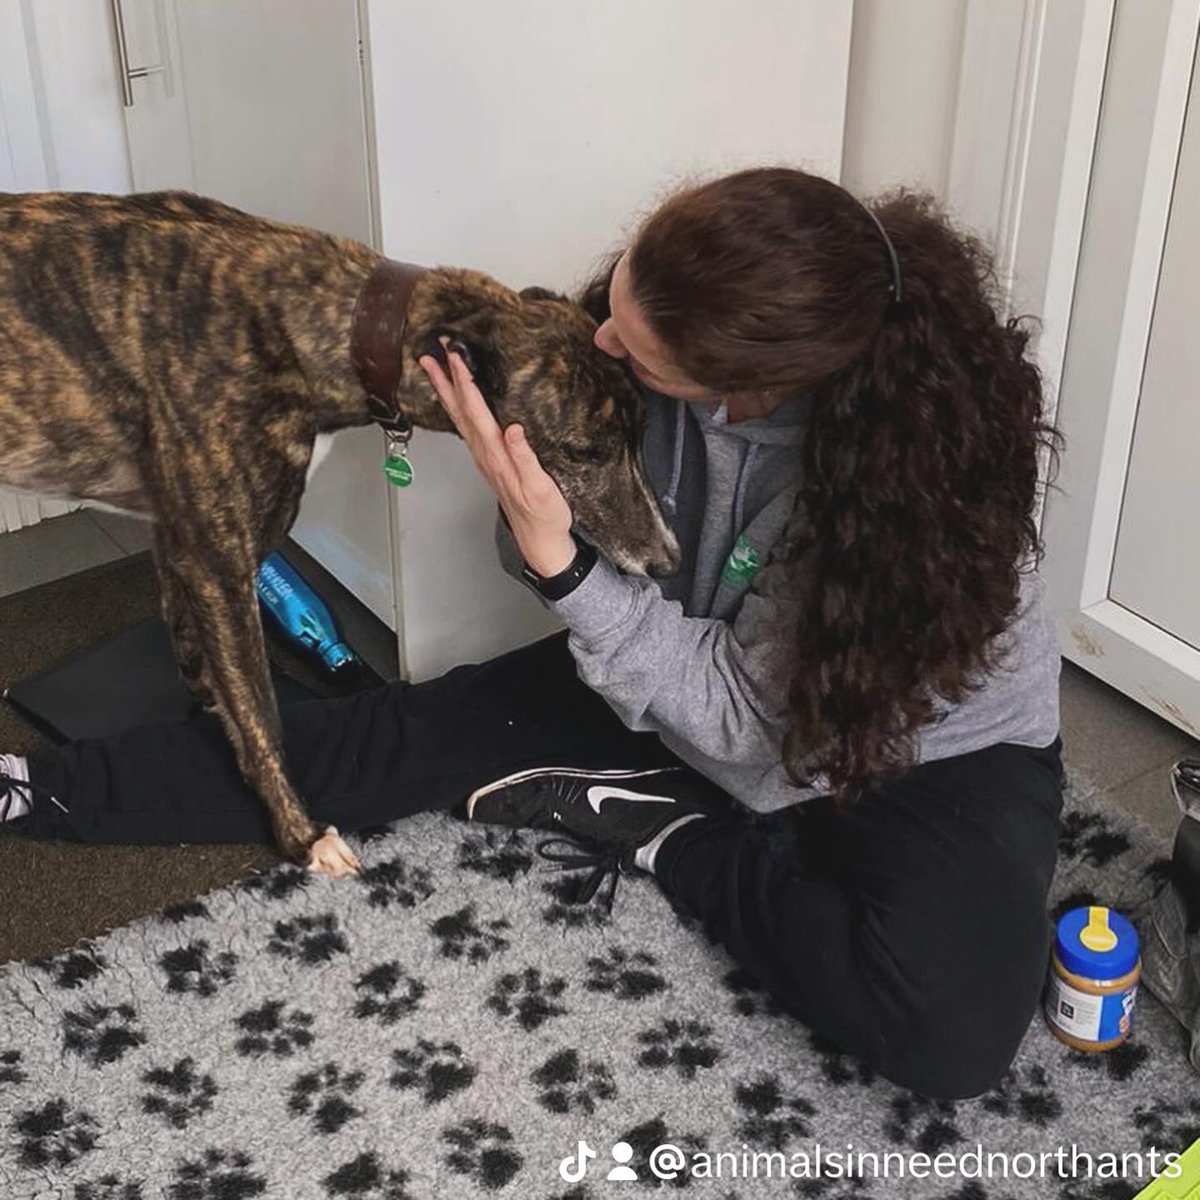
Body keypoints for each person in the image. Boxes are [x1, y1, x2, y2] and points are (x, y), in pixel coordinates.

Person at [0, 167, 1063, 1100]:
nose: (603, 336)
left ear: (754, 377)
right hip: (679, 674)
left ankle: (666, 829)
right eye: (617, 308)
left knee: (947, 1034)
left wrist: (566, 568)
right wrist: (539, 525)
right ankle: (41, 791)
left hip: (909, 755)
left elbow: (746, 730)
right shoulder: (632, 339)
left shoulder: (904, 485)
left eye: (637, 353)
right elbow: (564, 556)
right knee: (388, 739)